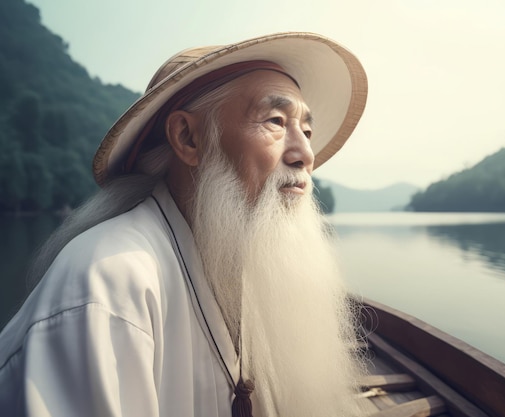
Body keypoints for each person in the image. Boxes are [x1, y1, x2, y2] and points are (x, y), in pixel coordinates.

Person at [0, 32, 369, 416]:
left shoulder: (252, 265)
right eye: (276, 120)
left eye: (306, 130)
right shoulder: (108, 283)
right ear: (187, 138)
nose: (305, 153)